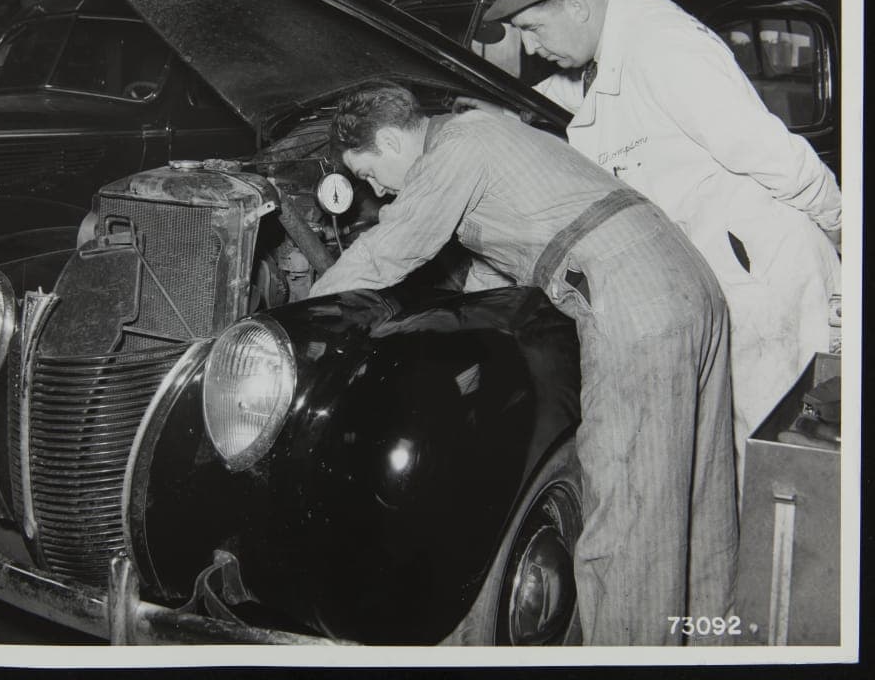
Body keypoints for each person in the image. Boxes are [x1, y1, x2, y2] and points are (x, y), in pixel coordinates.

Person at [310, 83, 737, 646]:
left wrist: (305, 318)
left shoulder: (454, 149)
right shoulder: (489, 135)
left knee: (628, 515)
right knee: (700, 497)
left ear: (391, 140)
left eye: (369, 173)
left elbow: (388, 250)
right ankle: (710, 648)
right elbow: (498, 274)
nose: (376, 190)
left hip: (634, 299)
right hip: (687, 278)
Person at [465, 0, 842, 484]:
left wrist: (841, 227)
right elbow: (576, 97)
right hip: (718, 276)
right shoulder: (607, 47)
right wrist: (495, 114)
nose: (529, 47)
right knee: (731, 462)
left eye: (531, 28)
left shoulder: (662, 46)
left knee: (776, 471)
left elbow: (775, 156)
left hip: (765, 282)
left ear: (575, 6)